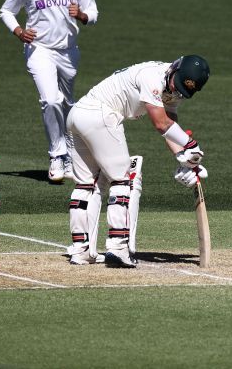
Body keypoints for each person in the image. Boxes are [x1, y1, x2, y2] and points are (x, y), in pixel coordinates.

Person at [65, 55, 210, 267]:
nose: (177, 92)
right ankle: (118, 247)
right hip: (100, 115)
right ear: (174, 68)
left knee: (88, 183)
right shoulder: (152, 76)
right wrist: (191, 145)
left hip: (78, 116)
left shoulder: (174, 87)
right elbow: (161, 123)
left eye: (183, 91)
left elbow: (169, 122)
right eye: (176, 85)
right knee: (125, 179)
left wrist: (183, 160)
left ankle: (81, 250)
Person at [0, 0, 99, 182]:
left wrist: (83, 15)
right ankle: (57, 155)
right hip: (39, 50)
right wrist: (19, 31)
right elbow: (6, 11)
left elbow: (94, 12)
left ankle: (69, 156)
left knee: (67, 105)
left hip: (68, 52)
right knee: (50, 100)